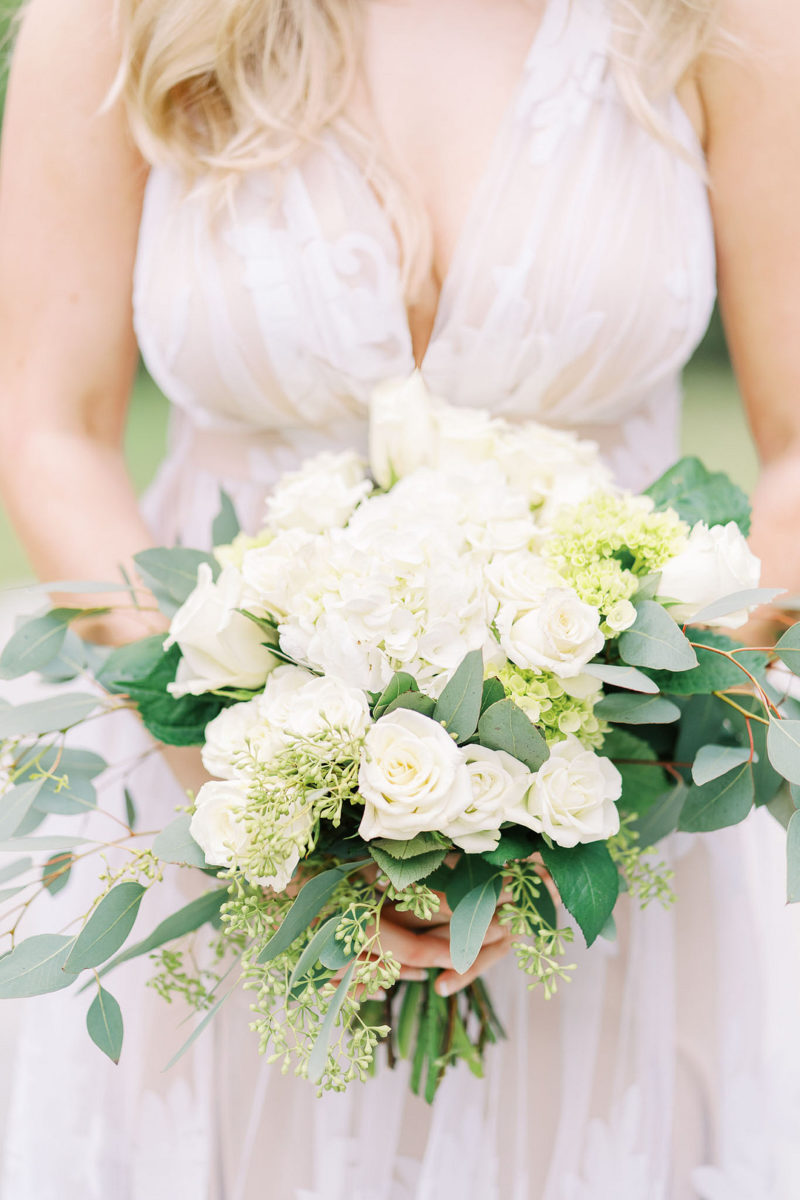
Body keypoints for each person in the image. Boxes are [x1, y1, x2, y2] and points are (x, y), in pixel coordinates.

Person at [1, 0, 799, 1195]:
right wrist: (250, 807)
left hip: (623, 815)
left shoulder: (731, 17)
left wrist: (605, 787)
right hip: (195, 784)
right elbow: (48, 426)